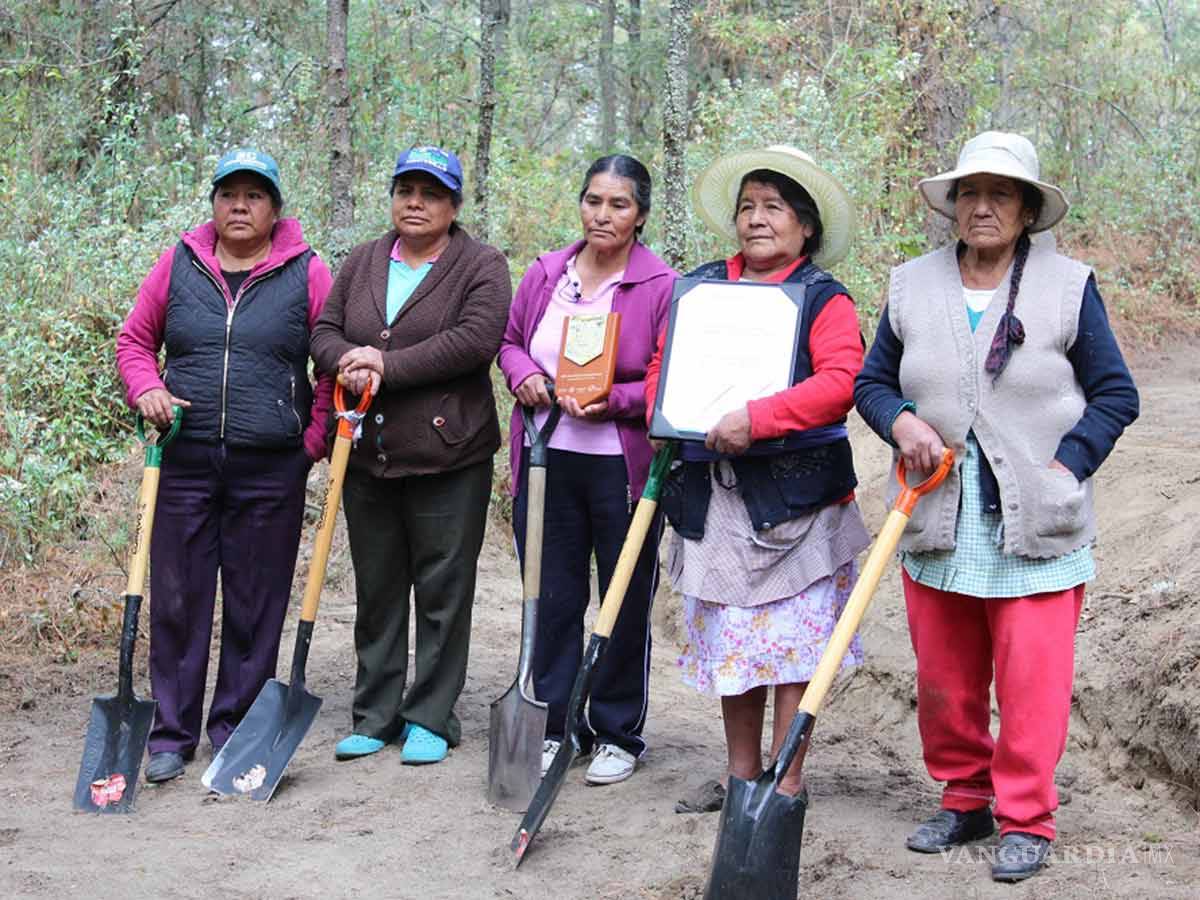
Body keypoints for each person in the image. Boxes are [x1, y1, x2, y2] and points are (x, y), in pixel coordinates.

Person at [854, 131, 1139, 882]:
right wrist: (902, 422)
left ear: (1027, 209)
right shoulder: (911, 284)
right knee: (945, 678)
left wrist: (1065, 466)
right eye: (970, 193)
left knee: (1031, 683)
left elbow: (1116, 395)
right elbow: (872, 383)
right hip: (936, 512)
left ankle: (1026, 817)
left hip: (1033, 519)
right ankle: (964, 797)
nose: (983, 207)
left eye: (1002, 194)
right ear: (952, 205)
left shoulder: (1069, 285)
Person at [645, 146, 871, 810]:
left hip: (796, 503)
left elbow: (840, 383)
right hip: (713, 498)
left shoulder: (824, 299)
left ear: (805, 227)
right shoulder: (703, 286)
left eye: (773, 207)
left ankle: (786, 779)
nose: (756, 219)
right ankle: (740, 774)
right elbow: (666, 361)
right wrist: (666, 411)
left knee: (793, 647)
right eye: (747, 207)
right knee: (732, 645)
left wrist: (758, 417)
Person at [115, 148, 334, 783]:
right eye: (228, 194)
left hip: (271, 469)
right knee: (178, 599)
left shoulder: (307, 271)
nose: (239, 205)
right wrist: (146, 389)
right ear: (213, 204)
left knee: (255, 602)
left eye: (254, 195)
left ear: (274, 209)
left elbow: (329, 358)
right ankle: (171, 734)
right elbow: (135, 341)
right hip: (181, 462)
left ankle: (235, 727)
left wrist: (311, 442)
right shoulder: (179, 264)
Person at [310, 145, 511, 766]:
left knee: (444, 587)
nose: (415, 203)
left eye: (431, 193)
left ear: (453, 205)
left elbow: (475, 342)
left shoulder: (482, 264)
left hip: (450, 455)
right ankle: (376, 714)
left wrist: (384, 365)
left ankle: (430, 716)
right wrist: (344, 358)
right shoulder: (364, 260)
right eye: (406, 191)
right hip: (368, 452)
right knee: (377, 588)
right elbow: (323, 329)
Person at [497, 155, 675, 785]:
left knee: (621, 599)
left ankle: (617, 730)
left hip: (621, 469)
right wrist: (525, 378)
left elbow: (667, 376)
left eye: (619, 205)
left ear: (641, 216)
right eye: (594, 201)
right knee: (550, 595)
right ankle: (555, 725)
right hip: (545, 459)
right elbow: (511, 343)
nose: (603, 215)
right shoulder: (548, 271)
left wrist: (617, 402)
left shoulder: (660, 287)